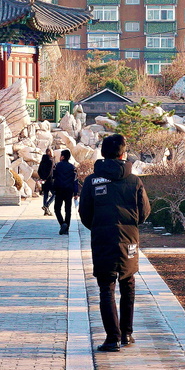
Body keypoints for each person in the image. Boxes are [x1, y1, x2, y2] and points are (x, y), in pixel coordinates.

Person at [78, 134, 151, 352]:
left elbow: (84, 213)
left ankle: (112, 338)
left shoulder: (92, 180)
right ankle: (127, 334)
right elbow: (145, 212)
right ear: (123, 154)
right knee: (127, 284)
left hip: (102, 239)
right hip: (129, 240)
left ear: (103, 154)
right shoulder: (134, 180)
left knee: (106, 288)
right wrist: (130, 224)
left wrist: (100, 225)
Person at [51, 150, 78, 235]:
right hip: (69, 190)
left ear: (62, 157)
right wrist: (76, 193)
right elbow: (75, 181)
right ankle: (67, 229)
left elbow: (53, 177)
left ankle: (63, 223)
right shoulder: (73, 168)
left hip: (59, 190)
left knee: (57, 209)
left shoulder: (56, 166)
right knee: (68, 210)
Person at [38, 149, 55, 216]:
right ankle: (47, 205)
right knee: (55, 194)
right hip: (49, 180)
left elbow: (39, 171)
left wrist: (42, 178)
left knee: (45, 194)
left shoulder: (42, 161)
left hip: (43, 180)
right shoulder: (51, 160)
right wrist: (45, 178)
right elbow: (50, 172)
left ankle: (46, 211)